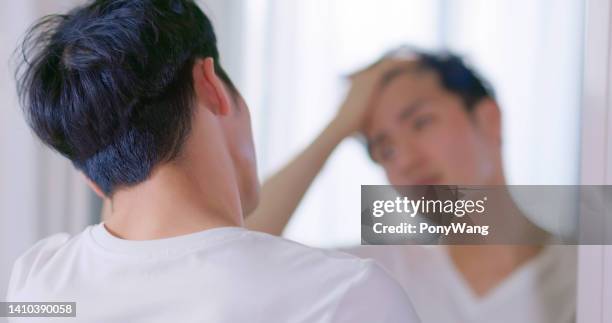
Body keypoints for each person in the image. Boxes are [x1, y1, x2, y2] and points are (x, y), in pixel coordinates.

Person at [6, 1, 421, 322]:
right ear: (212, 86)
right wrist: (339, 126)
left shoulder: (35, 287)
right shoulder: (344, 296)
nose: (402, 157)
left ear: (91, 177)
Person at [246, 48, 577, 323]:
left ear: (489, 120)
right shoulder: (374, 276)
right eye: (385, 149)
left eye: (421, 123)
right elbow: (240, 253)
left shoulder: (585, 273)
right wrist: (339, 126)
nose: (405, 161)